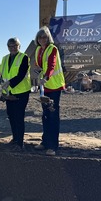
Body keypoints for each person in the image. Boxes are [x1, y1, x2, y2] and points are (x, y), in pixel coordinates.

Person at [34, 26, 66, 156]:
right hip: (44, 87)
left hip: (54, 86)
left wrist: (46, 77)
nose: (42, 39)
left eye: (44, 37)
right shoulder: (38, 50)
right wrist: (37, 73)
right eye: (40, 37)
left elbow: (52, 65)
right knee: (45, 115)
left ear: (48, 38)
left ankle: (53, 146)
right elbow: (39, 66)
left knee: (53, 115)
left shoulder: (53, 49)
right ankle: (45, 141)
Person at [0, 37, 31, 149]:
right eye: (10, 46)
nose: (13, 48)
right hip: (9, 93)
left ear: (19, 46)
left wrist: (10, 83)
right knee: (11, 116)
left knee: (18, 117)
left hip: (21, 92)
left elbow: (21, 74)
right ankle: (15, 138)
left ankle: (20, 142)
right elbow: (4, 76)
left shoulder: (24, 58)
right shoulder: (4, 59)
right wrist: (4, 93)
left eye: (15, 45)